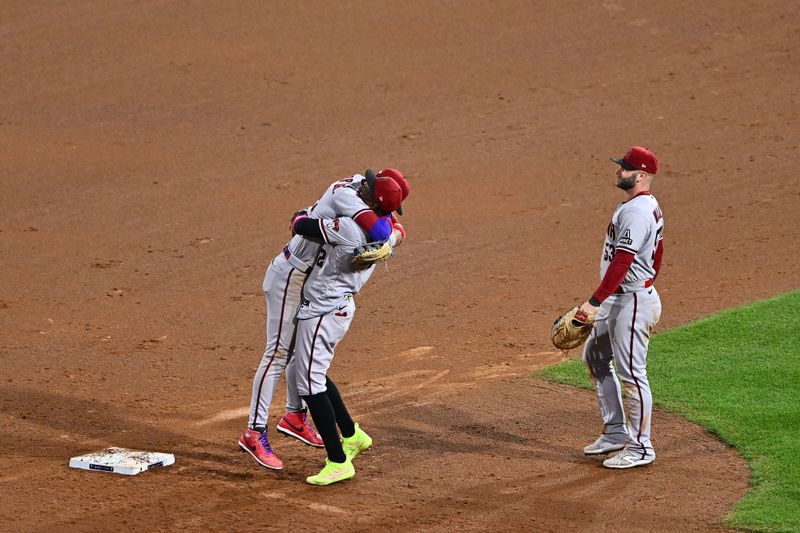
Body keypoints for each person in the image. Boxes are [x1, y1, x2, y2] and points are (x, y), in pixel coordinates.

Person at [238, 168, 409, 470]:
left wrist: (394, 228)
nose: (365, 183)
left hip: (307, 277)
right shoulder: (347, 201)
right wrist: (392, 237)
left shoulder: (358, 188)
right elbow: (382, 232)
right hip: (290, 275)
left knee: (299, 356)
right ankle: (255, 432)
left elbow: (389, 221)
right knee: (279, 353)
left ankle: (294, 416)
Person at [289, 171, 407, 485]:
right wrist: (395, 232)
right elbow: (395, 228)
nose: (362, 186)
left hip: (323, 310)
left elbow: (300, 224)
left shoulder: (349, 228)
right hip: (339, 307)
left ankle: (338, 461)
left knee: (309, 384)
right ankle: (352, 435)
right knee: (314, 372)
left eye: (368, 187)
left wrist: (306, 212)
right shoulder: (384, 237)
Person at [579, 146, 664, 469]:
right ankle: (615, 431)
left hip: (630, 301)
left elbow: (622, 261)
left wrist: (594, 302)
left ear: (641, 176)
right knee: (595, 356)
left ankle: (641, 447)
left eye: (625, 168)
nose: (618, 171)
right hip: (622, 296)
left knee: (632, 375)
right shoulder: (640, 205)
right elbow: (656, 255)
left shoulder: (638, 212)